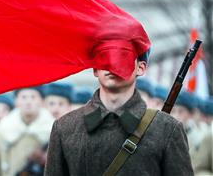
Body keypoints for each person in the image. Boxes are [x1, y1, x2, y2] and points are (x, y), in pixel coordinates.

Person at [45, 51, 193, 175]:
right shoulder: (64, 128)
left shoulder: (167, 129)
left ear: (140, 68)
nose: (112, 63)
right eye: (105, 56)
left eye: (123, 55)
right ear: (95, 69)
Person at [0, 86, 54, 176]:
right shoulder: (3, 130)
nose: (28, 102)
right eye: (23, 97)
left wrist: (47, 162)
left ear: (42, 101)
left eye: (33, 97)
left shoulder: (53, 131)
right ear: (16, 101)